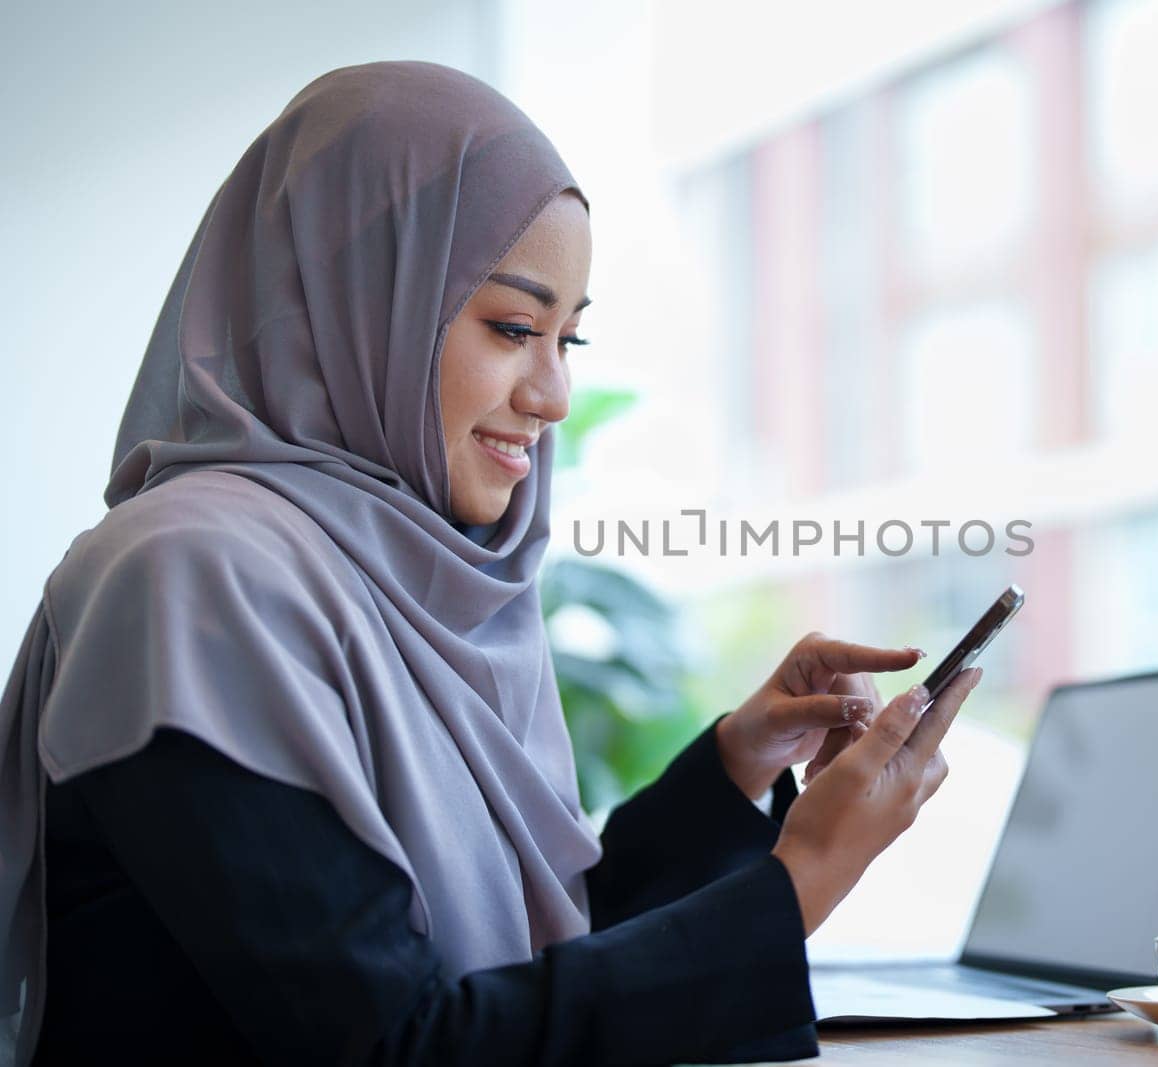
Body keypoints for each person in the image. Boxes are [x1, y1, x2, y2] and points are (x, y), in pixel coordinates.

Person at [0, 61, 980, 1065]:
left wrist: (738, 763)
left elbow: (526, 946)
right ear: (357, 301)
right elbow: (400, 1043)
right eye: (514, 327)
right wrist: (806, 872)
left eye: (569, 336)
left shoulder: (410, 577)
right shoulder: (192, 579)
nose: (553, 393)